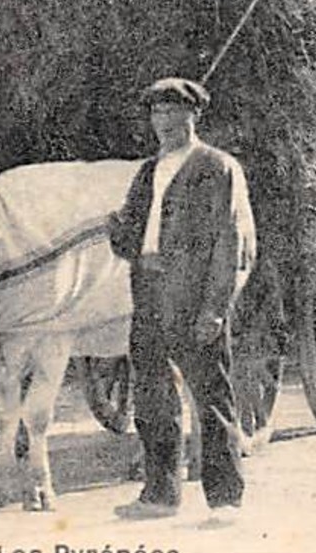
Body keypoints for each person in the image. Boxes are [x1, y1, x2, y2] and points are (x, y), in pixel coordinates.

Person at [107, 77, 257, 519]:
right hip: (149, 292)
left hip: (193, 296)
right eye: (157, 113)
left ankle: (226, 499)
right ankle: (160, 494)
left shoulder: (217, 167)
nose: (165, 122)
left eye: (174, 112)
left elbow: (230, 241)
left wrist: (215, 309)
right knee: (153, 399)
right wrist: (116, 231)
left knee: (211, 398)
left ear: (194, 116)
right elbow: (131, 240)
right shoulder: (148, 171)